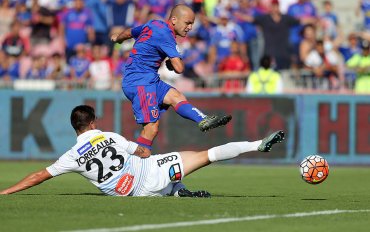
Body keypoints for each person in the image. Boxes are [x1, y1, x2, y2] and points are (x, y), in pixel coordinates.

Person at [0, 105, 285, 196]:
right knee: (206, 155)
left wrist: (6, 192)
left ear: (76, 128)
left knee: (166, 178)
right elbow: (145, 153)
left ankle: (177, 192)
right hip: (151, 171)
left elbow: (39, 175)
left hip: (135, 194)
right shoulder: (110, 136)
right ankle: (255, 145)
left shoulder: (71, 157)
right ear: (93, 122)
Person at [111, 4, 232, 154]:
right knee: (151, 128)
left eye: (192, 24)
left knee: (176, 96)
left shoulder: (154, 23)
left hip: (147, 79)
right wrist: (172, 62)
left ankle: (203, 120)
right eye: (187, 23)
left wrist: (117, 38)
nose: (190, 27)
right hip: (139, 82)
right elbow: (180, 68)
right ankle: (133, 167)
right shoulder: (166, 35)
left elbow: (129, 32)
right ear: (174, 19)